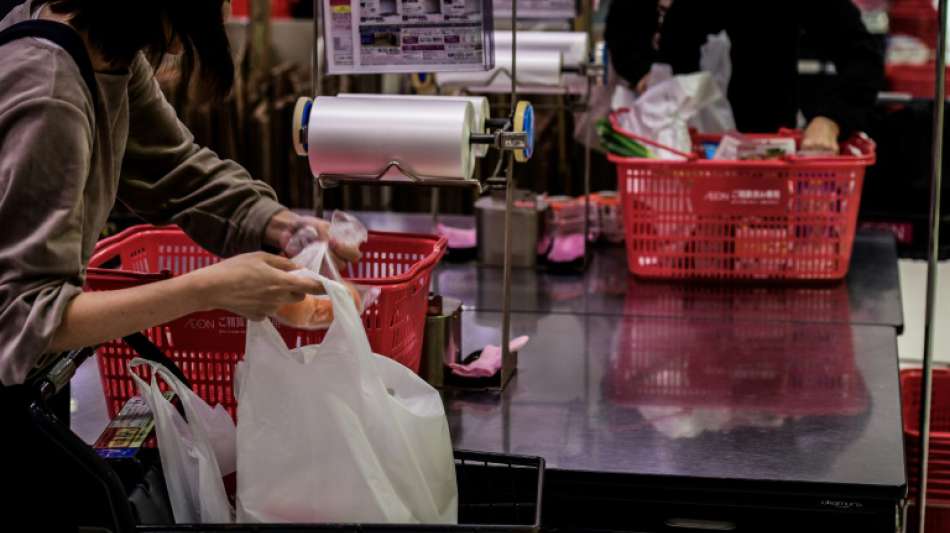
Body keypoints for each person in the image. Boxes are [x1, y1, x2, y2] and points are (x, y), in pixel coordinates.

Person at [0, 1, 359, 525]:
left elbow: (176, 169)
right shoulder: (50, 91)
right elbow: (27, 318)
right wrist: (208, 288)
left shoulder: (106, 53)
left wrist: (283, 226)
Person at [605, 0, 885, 154]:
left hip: (763, 153)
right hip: (670, 151)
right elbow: (624, 32)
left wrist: (830, 120)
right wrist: (646, 78)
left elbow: (862, 57)